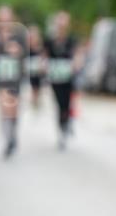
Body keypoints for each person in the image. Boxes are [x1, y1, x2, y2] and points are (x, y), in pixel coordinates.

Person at [0, 6, 26, 159]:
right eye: (1, 19)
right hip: (1, 76)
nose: (4, 22)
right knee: (4, 108)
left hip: (15, 76)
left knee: (14, 109)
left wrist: (18, 51)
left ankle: (13, 134)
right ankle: (8, 140)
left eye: (7, 19)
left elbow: (25, 52)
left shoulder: (19, 35)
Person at [44, 11, 80, 150]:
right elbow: (45, 56)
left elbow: (77, 55)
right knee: (59, 104)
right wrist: (45, 66)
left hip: (68, 77)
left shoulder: (71, 40)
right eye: (60, 22)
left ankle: (67, 123)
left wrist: (75, 65)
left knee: (67, 103)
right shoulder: (50, 40)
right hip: (55, 77)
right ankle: (62, 130)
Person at [26, 25, 46, 111]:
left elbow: (44, 59)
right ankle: (33, 100)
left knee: (37, 86)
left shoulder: (40, 48)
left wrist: (42, 65)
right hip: (28, 73)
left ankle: (35, 100)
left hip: (37, 72)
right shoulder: (26, 48)